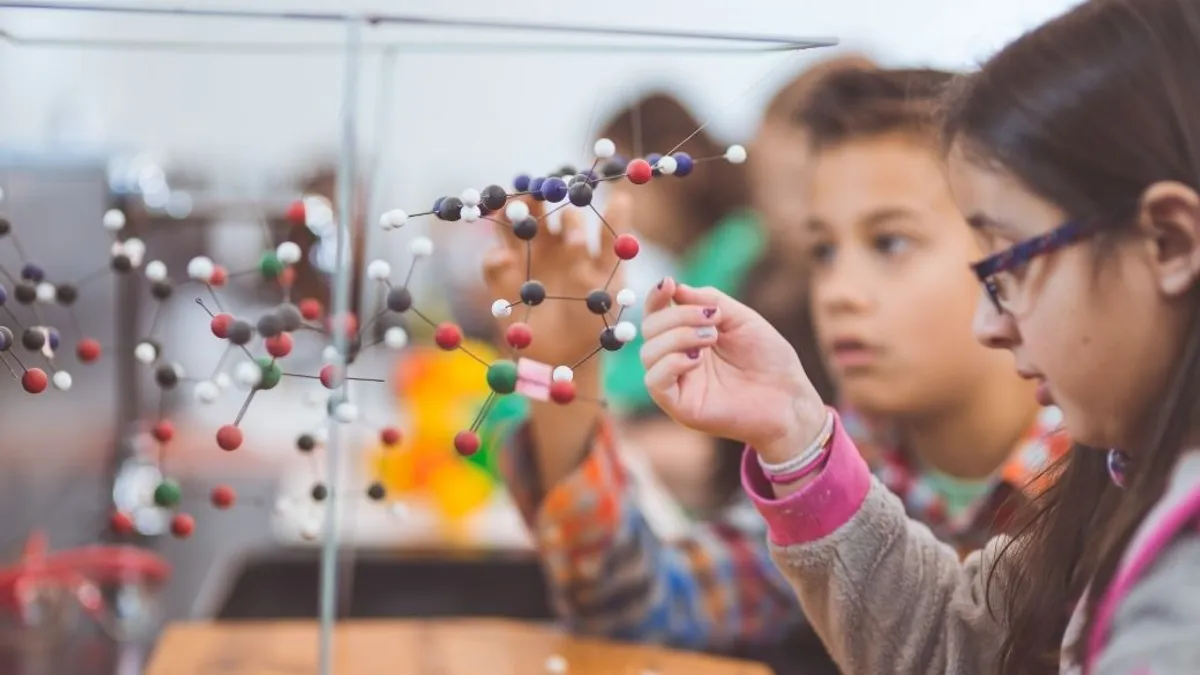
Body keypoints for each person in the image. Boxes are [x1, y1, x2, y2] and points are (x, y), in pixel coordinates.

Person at [639, 0, 1200, 672]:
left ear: (1168, 241)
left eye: (1007, 261)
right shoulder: (1121, 477)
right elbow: (956, 646)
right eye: (821, 250)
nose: (989, 322)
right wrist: (795, 428)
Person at [481, 64, 1066, 673]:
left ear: (1011, 253)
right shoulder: (834, 465)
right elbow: (641, 609)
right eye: (823, 251)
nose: (838, 290)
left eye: (890, 242)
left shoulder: (1101, 484)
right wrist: (558, 377)